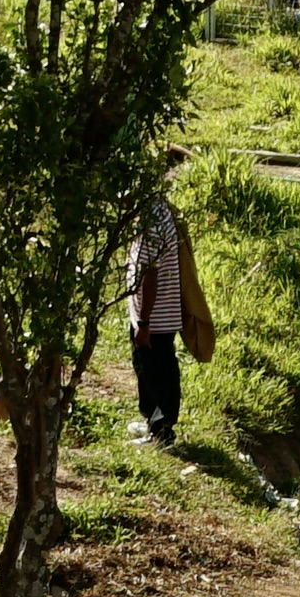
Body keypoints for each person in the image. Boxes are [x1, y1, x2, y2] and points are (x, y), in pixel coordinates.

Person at [123, 187, 214, 448]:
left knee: (156, 370)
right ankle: (152, 421)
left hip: (155, 315)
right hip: (154, 312)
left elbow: (150, 274)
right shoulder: (156, 210)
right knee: (146, 366)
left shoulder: (152, 220)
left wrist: (143, 322)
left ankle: (162, 431)